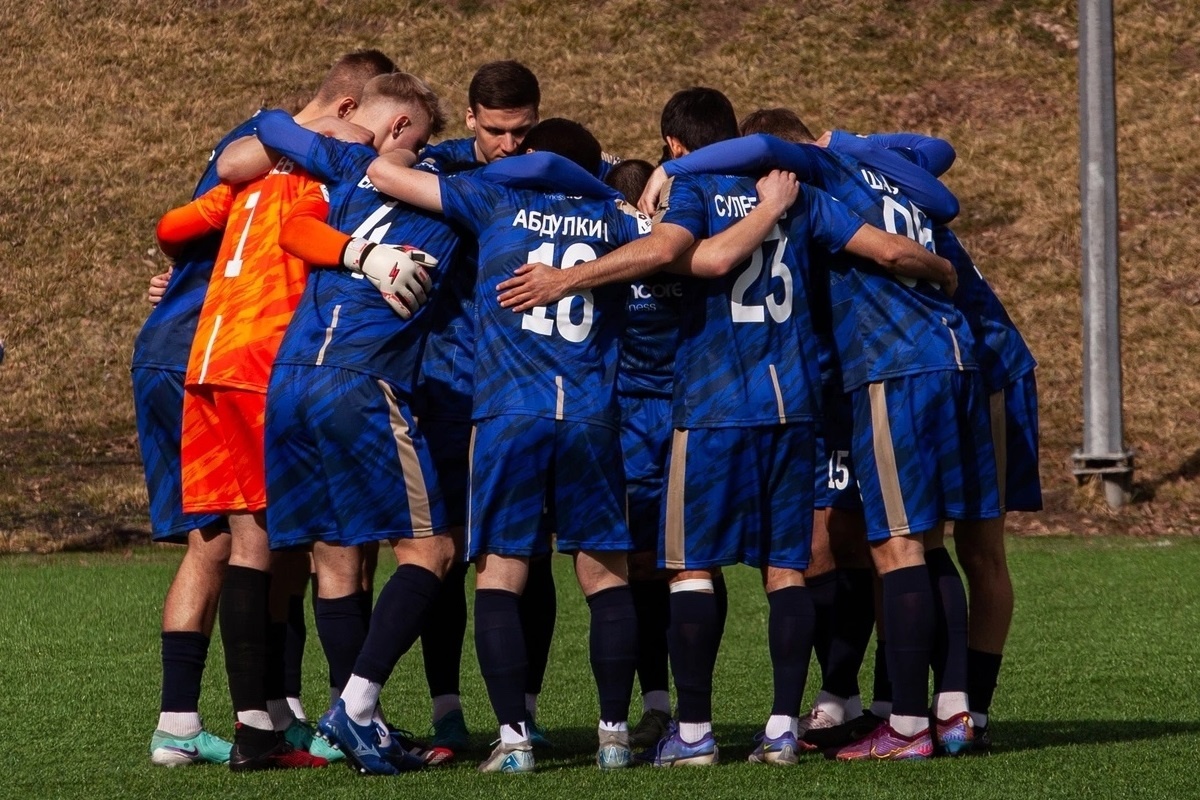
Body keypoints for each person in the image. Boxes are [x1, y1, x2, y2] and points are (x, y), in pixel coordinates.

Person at [494, 87, 960, 767]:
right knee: (785, 570)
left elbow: (695, 258)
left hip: (713, 405)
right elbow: (887, 249)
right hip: (792, 402)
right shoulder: (798, 193)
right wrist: (942, 268)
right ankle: (781, 728)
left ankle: (693, 733)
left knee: (690, 569)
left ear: (675, 145)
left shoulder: (695, 191)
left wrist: (570, 276)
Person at [642, 125, 998, 760]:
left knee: (889, 545)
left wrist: (672, 172)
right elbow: (936, 168)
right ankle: (941, 711)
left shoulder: (799, 183)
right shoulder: (874, 177)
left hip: (865, 371)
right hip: (931, 364)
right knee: (922, 542)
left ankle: (901, 725)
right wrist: (942, 263)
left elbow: (706, 254)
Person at [365, 118, 652, 773]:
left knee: (501, 572)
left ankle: (515, 741)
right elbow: (671, 244)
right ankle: (613, 736)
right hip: (590, 413)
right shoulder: (614, 216)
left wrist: (453, 154)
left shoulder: (494, 196)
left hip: (507, 413)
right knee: (605, 574)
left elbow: (384, 172)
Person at [135, 49, 394, 768]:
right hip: (258, 365)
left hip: (204, 363)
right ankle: (272, 726)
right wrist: (363, 257)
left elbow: (174, 224)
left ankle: (247, 717)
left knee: (235, 544)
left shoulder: (249, 170)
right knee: (278, 545)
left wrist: (182, 274)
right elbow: (299, 232)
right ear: (350, 117)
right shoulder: (323, 177)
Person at [218, 71, 459, 775]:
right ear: (405, 128)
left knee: (336, 553)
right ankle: (353, 708)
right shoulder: (453, 187)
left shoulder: (348, 170)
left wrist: (326, 135)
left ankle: (356, 724)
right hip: (360, 380)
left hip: (290, 382)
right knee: (431, 553)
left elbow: (272, 129)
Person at [833, 130, 1041, 751]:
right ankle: (922, 707)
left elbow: (940, 149)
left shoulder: (854, 186)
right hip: (950, 368)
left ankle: (969, 712)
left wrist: (848, 141)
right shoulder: (876, 188)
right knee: (918, 540)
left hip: (987, 369)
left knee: (973, 548)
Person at [410, 60, 556, 751]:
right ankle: (447, 711)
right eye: (496, 130)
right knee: (443, 555)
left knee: (527, 556)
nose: (509, 145)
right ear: (470, 118)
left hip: (522, 393)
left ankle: (524, 711)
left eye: (521, 131)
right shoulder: (436, 168)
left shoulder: (555, 172)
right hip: (445, 389)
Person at [604, 157, 678, 750]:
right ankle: (682, 711)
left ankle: (646, 709)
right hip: (683, 419)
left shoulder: (605, 256)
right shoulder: (688, 247)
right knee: (688, 566)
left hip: (625, 422)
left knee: (625, 569)